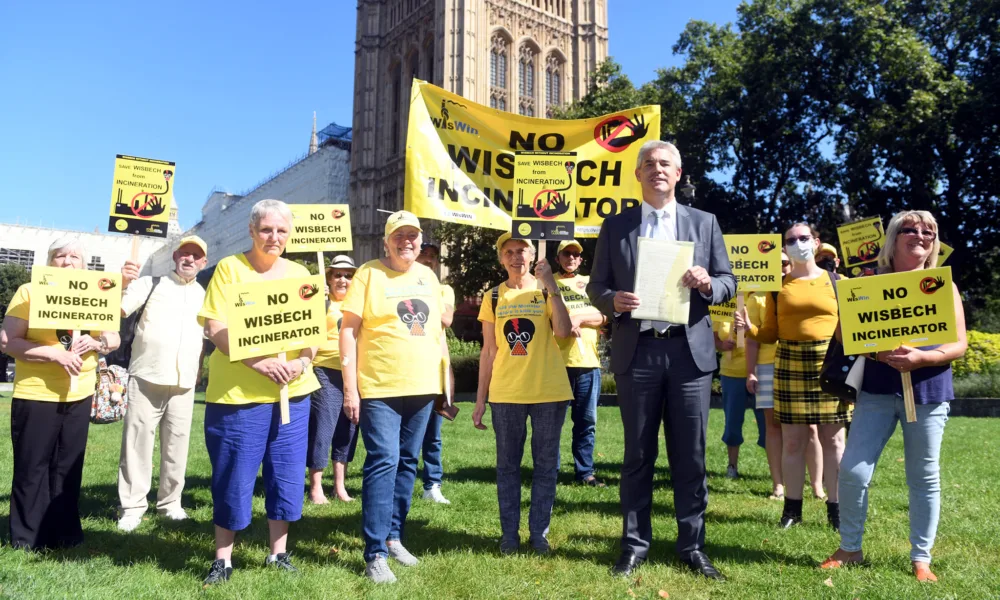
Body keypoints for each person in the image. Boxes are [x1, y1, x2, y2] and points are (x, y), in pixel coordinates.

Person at [588, 140, 735, 580]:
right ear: (638, 174)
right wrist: (614, 299)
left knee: (690, 456)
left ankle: (692, 546)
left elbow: (729, 281)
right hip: (640, 352)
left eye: (665, 164)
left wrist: (709, 283)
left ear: (678, 172)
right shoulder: (616, 227)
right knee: (637, 455)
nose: (657, 170)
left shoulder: (704, 223)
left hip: (689, 353)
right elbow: (597, 286)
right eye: (649, 164)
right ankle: (634, 545)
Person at [822, 211, 966, 583]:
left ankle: (922, 558)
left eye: (929, 231)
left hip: (929, 392)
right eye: (911, 229)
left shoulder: (942, 286)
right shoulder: (869, 282)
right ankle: (850, 548)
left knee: (924, 476)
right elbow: (843, 336)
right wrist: (875, 351)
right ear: (893, 237)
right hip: (877, 391)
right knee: (852, 471)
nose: (920, 235)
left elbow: (959, 344)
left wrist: (923, 357)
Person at [199, 199, 321, 586]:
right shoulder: (230, 270)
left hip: (293, 394)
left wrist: (301, 364)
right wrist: (258, 362)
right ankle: (223, 559)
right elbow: (215, 329)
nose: (274, 237)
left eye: (282, 230)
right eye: (266, 229)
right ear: (252, 231)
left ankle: (278, 554)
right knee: (233, 476)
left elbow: (313, 335)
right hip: (238, 396)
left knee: (285, 475)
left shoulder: (300, 273)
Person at [340, 210, 444, 584]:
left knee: (407, 462)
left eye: (413, 236)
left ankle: (394, 535)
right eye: (399, 236)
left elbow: (436, 334)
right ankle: (375, 553)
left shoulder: (428, 276)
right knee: (383, 459)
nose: (407, 242)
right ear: (387, 241)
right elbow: (348, 331)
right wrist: (350, 388)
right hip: (379, 386)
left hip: (421, 386)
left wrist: (443, 384)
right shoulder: (368, 274)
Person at [1, 238, 121, 550]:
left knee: (68, 467)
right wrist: (55, 355)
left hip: (78, 393)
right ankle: (26, 537)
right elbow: (7, 342)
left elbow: (114, 337)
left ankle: (65, 533)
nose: (67, 261)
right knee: (32, 465)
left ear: (85, 264)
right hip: (37, 392)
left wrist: (97, 344)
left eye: (75, 256)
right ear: (49, 261)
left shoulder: (97, 292)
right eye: (60, 256)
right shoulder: (29, 292)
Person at [736, 222, 851, 531]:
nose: (798, 243)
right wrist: (751, 329)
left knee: (834, 441)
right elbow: (771, 333)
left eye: (804, 237)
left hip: (829, 364)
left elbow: (853, 328)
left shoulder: (838, 282)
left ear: (815, 242)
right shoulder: (778, 286)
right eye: (791, 240)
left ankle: (836, 511)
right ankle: (792, 511)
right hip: (789, 362)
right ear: (783, 247)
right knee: (792, 442)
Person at [473, 232, 574, 555]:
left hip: (549, 391)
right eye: (510, 251)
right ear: (501, 258)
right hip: (506, 393)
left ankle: (538, 534)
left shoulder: (547, 289)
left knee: (546, 465)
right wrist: (479, 401)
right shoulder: (492, 297)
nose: (517, 257)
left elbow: (562, 331)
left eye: (523, 251)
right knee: (507, 467)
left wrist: (552, 286)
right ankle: (509, 535)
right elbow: (488, 352)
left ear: (533, 256)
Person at [116, 236, 209, 532]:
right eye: (185, 253)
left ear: (203, 263)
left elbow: (207, 335)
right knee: (137, 443)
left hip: (184, 381)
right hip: (146, 375)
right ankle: (131, 507)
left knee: (177, 447)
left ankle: (171, 503)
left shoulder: (203, 294)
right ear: (175, 256)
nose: (190, 259)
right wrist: (121, 282)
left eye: (196, 256)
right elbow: (117, 308)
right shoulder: (149, 284)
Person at [745, 253, 826, 500]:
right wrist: (750, 372)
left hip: (802, 365)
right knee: (773, 427)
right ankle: (778, 485)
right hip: (768, 367)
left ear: (791, 265)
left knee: (812, 427)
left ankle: (817, 486)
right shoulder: (758, 296)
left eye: (784, 263)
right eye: (775, 263)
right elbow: (753, 339)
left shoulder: (804, 289)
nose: (780, 267)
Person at [554, 238, 607, 487]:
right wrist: (567, 319)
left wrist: (577, 317)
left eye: (576, 254)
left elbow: (603, 315)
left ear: (581, 259)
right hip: (556, 363)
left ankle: (584, 472)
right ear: (558, 258)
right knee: (551, 424)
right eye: (566, 253)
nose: (571, 258)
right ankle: (549, 471)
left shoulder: (589, 284)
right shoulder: (548, 283)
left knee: (586, 423)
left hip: (588, 363)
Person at [307, 255, 360, 504]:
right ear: (329, 278)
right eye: (337, 274)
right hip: (325, 371)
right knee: (323, 430)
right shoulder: (322, 304)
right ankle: (316, 487)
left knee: (348, 430)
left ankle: (340, 487)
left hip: (353, 373)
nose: (343, 279)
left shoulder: (359, 305)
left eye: (348, 275)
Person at [416, 241, 455, 504]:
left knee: (433, 431)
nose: (428, 260)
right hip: (403, 366)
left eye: (432, 257)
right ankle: (398, 481)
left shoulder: (444, 289)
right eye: (423, 255)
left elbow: (446, 319)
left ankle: (432, 484)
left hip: (434, 366)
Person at [713, 295, 766, 479]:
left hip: (762, 371)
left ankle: (776, 473)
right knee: (732, 423)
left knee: (768, 425)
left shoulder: (764, 297)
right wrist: (722, 344)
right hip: (731, 373)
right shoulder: (724, 301)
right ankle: (732, 467)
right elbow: (714, 338)